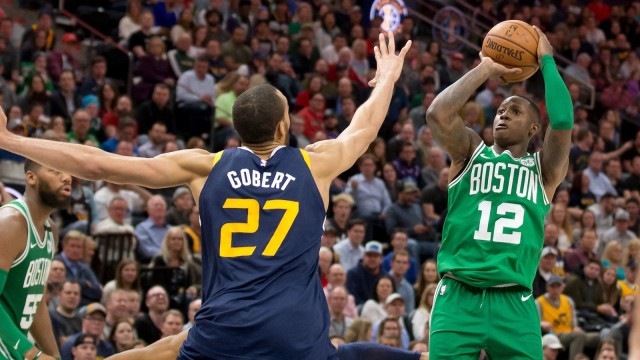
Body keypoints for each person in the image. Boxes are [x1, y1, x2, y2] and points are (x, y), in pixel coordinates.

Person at [15, 32, 424, 360]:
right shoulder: (316, 163)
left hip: (222, 331)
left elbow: (97, 164)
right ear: (284, 127)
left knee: (172, 346)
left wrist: (11, 140)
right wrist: (387, 75)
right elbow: (365, 127)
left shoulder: (205, 166)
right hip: (294, 334)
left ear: (237, 131)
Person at [426, 27, 573, 359]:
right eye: (502, 110)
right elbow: (437, 114)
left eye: (515, 112)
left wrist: (547, 60)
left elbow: (563, 120)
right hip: (458, 296)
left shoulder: (544, 170)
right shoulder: (470, 152)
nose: (504, 115)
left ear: (534, 129)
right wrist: (485, 70)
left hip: (514, 302)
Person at [0, 160, 70, 360]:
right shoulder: (10, 223)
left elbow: (36, 302)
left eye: (69, 172)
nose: (67, 177)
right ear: (31, 177)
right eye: (56, 170)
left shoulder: (51, 231)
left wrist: (54, 356)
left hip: (13, 344)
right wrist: (30, 352)